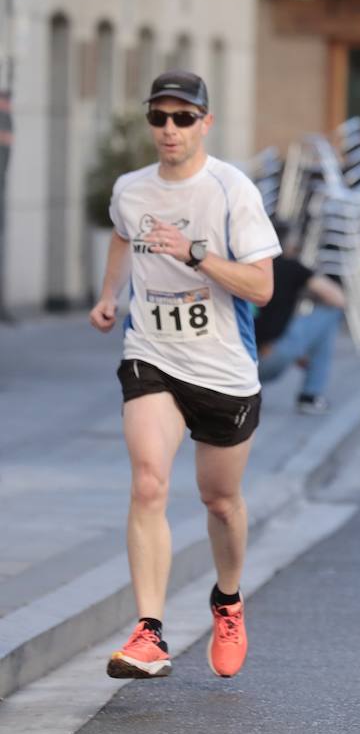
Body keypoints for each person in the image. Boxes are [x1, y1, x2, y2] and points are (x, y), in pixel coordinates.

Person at [89, 70, 280, 681]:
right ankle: (150, 631)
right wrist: (109, 295)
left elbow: (263, 286)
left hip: (224, 368)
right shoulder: (131, 189)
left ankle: (227, 600)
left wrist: (194, 253)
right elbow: (123, 236)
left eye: (183, 118)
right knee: (149, 483)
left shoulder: (231, 191)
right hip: (152, 353)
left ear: (205, 123)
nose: (169, 130)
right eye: (159, 118)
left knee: (219, 500)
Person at [255, 246, 348, 413]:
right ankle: (310, 395)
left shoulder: (235, 265)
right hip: (269, 357)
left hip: (233, 366)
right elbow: (338, 298)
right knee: (330, 312)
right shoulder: (288, 266)